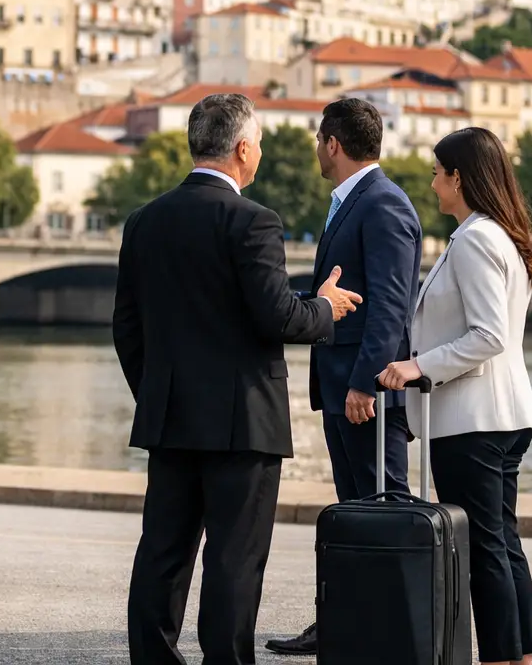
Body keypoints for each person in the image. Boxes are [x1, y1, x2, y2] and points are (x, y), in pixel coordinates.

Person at [114, 93, 363, 665]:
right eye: (262, 145)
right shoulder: (253, 221)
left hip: (171, 417)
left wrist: (157, 392)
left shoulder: (144, 220)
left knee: (163, 552)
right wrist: (323, 306)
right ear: (243, 149)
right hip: (243, 423)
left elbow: (126, 326)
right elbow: (277, 315)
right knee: (234, 558)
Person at [378, 126, 532, 665]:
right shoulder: (502, 235)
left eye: (436, 173)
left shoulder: (475, 239)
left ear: (459, 177)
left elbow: (488, 335)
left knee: (483, 552)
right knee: (503, 546)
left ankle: (499, 658)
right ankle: (518, 657)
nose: (431, 184)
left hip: (472, 419)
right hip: (505, 411)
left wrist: (416, 366)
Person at [266, 97, 423, 658]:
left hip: (364, 390)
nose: (316, 148)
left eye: (317, 139)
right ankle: (345, 621)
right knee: (357, 512)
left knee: (384, 507)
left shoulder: (382, 204)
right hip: (343, 384)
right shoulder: (354, 201)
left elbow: (389, 306)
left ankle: (398, 627)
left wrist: (366, 383)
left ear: (332, 143)